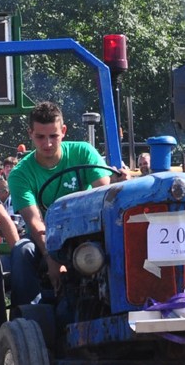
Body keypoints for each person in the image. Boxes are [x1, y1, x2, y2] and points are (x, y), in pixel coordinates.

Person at [7, 101, 112, 307]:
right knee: (22, 250)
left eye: (53, 136)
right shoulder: (20, 174)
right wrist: (51, 255)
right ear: (30, 134)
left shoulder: (83, 152)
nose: (47, 144)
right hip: (46, 236)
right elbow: (35, 222)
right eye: (40, 137)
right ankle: (29, 312)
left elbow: (104, 194)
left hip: (88, 232)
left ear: (63, 131)